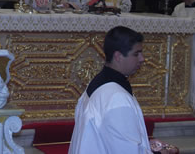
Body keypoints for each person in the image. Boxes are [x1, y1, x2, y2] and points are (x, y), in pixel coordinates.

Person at [69, 26, 178, 154]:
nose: (142, 59)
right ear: (118, 56)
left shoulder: (99, 82)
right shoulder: (116, 97)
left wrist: (145, 144)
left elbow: (110, 139)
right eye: (136, 54)